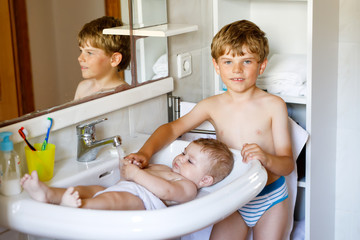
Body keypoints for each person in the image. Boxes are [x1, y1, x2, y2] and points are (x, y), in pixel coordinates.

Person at [125, 20, 294, 240]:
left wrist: (266, 158)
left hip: (270, 198)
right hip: (233, 196)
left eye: (247, 61)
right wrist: (145, 153)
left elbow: (288, 164)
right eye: (228, 61)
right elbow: (171, 129)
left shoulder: (274, 105)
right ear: (216, 65)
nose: (237, 69)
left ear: (261, 66)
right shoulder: (212, 106)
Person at [20, 138, 234, 210]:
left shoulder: (188, 187)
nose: (180, 158)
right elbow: (131, 178)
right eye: (183, 152)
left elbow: (166, 191)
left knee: (112, 199)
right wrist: (133, 168)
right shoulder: (167, 170)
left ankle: (79, 208)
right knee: (93, 189)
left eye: (189, 160)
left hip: (141, 203)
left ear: (205, 179)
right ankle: (50, 195)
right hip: (128, 189)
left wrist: (136, 175)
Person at [74, 16, 131, 100]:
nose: (80, 58)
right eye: (81, 51)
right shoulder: (83, 88)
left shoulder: (125, 94)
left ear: (115, 59)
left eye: (89, 53)